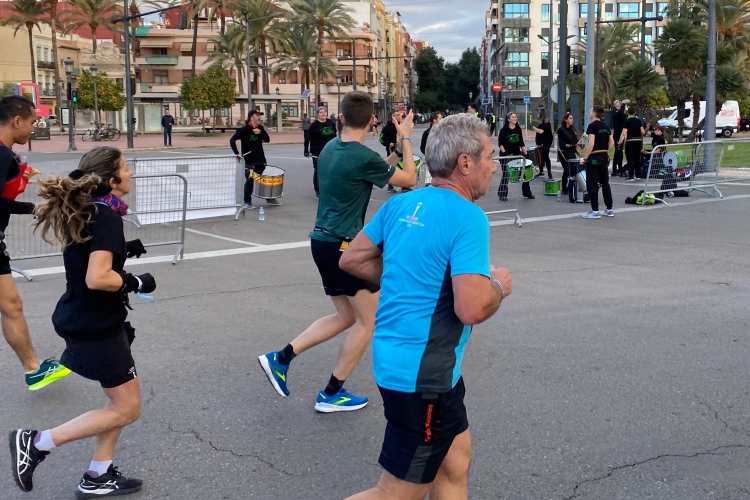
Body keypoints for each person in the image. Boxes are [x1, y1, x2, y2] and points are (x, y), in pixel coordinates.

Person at [340, 114, 513, 500]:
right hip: (424, 379)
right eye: (489, 156)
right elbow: (472, 308)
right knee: (395, 493)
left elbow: (352, 258)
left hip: (409, 367)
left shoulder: (402, 204)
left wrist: (409, 277)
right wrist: (499, 287)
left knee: (455, 462)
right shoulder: (468, 216)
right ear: (465, 163)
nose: (493, 166)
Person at [257, 91, 417, 413]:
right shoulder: (363, 156)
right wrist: (406, 138)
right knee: (368, 322)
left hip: (322, 242)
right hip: (346, 248)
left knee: (347, 316)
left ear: (341, 118)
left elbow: (374, 170)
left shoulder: (332, 147)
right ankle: (331, 393)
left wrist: (396, 152)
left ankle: (281, 358)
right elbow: (409, 178)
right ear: (372, 121)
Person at [10, 146, 156, 498]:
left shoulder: (92, 210)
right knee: (127, 408)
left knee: (118, 403)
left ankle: (98, 474)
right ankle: (37, 442)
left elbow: (86, 256)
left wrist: (123, 249)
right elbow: (97, 277)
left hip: (92, 318)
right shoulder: (106, 216)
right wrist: (135, 282)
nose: (131, 173)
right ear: (112, 179)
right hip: (95, 325)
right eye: (126, 168)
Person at [0, 95, 71, 390]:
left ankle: (34, 369)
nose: (33, 129)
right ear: (17, 121)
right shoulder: (2, 156)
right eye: (31, 122)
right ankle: (33, 368)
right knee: (11, 305)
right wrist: (33, 208)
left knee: (11, 305)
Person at [230, 110, 277, 209]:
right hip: (249, 160)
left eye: (260, 115)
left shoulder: (260, 128)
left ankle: (269, 198)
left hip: (260, 158)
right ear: (251, 116)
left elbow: (267, 139)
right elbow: (232, 140)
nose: (259, 117)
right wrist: (237, 153)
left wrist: (260, 133)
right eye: (257, 115)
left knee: (264, 180)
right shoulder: (244, 129)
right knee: (250, 180)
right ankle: (247, 201)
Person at [582, 106, 615, 219]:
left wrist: (585, 157)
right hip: (604, 157)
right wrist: (605, 150)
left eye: (591, 111)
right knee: (605, 183)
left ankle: (595, 210)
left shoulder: (592, 126)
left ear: (594, 114)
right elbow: (612, 142)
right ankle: (609, 209)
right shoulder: (606, 126)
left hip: (594, 157)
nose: (589, 112)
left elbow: (591, 143)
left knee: (592, 184)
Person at [497, 112, 534, 200]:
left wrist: (525, 153)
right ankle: (502, 194)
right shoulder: (503, 130)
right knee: (506, 174)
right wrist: (505, 153)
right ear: (508, 119)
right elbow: (500, 143)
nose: (515, 118)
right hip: (506, 155)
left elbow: (521, 143)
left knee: (523, 172)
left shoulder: (518, 129)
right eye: (512, 117)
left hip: (517, 154)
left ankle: (527, 193)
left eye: (515, 117)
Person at [307, 107, 338, 199]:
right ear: (317, 114)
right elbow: (307, 138)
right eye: (321, 112)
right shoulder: (314, 125)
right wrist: (306, 150)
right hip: (318, 151)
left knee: (330, 170)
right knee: (318, 171)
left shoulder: (330, 123)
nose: (323, 113)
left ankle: (329, 189)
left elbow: (335, 136)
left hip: (330, 150)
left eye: (324, 112)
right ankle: (318, 191)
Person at [619, 106, 646, 180]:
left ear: (628, 113)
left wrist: (620, 142)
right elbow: (643, 132)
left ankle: (631, 175)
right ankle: (638, 175)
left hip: (630, 141)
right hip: (638, 141)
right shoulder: (638, 121)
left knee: (630, 159)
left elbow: (624, 133)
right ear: (635, 113)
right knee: (637, 159)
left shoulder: (627, 121)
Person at [556, 112, 579, 195]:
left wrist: (579, 144)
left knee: (573, 170)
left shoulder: (572, 129)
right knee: (566, 169)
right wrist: (569, 145)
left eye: (572, 118)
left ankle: (571, 186)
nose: (572, 120)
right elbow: (561, 143)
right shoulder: (561, 130)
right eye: (570, 118)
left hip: (572, 152)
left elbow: (575, 140)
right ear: (566, 120)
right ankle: (564, 188)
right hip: (564, 153)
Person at [380, 111, 402, 193]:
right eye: (397, 115)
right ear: (393, 117)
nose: (399, 116)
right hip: (392, 152)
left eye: (399, 115)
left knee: (403, 167)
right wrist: (389, 144)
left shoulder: (399, 126)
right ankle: (390, 185)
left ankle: (405, 186)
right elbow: (381, 139)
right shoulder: (387, 128)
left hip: (401, 151)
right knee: (391, 168)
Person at [531, 109, 553, 179]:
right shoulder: (542, 122)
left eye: (538, 113)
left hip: (545, 143)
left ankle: (549, 172)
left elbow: (541, 131)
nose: (538, 115)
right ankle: (541, 171)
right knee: (540, 156)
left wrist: (534, 128)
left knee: (546, 156)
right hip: (541, 143)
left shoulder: (546, 123)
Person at [611, 99, 628, 176]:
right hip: (617, 134)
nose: (619, 102)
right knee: (618, 151)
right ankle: (618, 169)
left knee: (619, 151)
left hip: (622, 133)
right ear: (615, 105)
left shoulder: (622, 112)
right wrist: (623, 104)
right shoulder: (615, 111)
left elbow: (624, 116)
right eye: (617, 102)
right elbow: (619, 113)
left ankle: (616, 169)